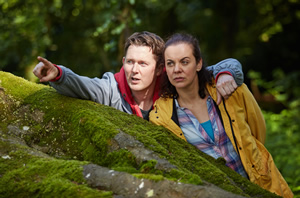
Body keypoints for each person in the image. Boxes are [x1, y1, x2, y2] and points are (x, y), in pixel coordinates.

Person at [149, 33, 293, 198]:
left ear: (198, 63)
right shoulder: (162, 118)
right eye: (170, 63)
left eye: (184, 62)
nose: (177, 69)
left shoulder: (232, 91)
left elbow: (257, 131)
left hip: (259, 186)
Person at [33, 31, 243, 121]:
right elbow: (82, 85)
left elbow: (229, 64)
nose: (134, 70)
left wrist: (226, 74)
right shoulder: (111, 88)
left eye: (143, 64)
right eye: (130, 62)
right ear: (123, 63)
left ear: (160, 68)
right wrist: (57, 74)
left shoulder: (173, 83)